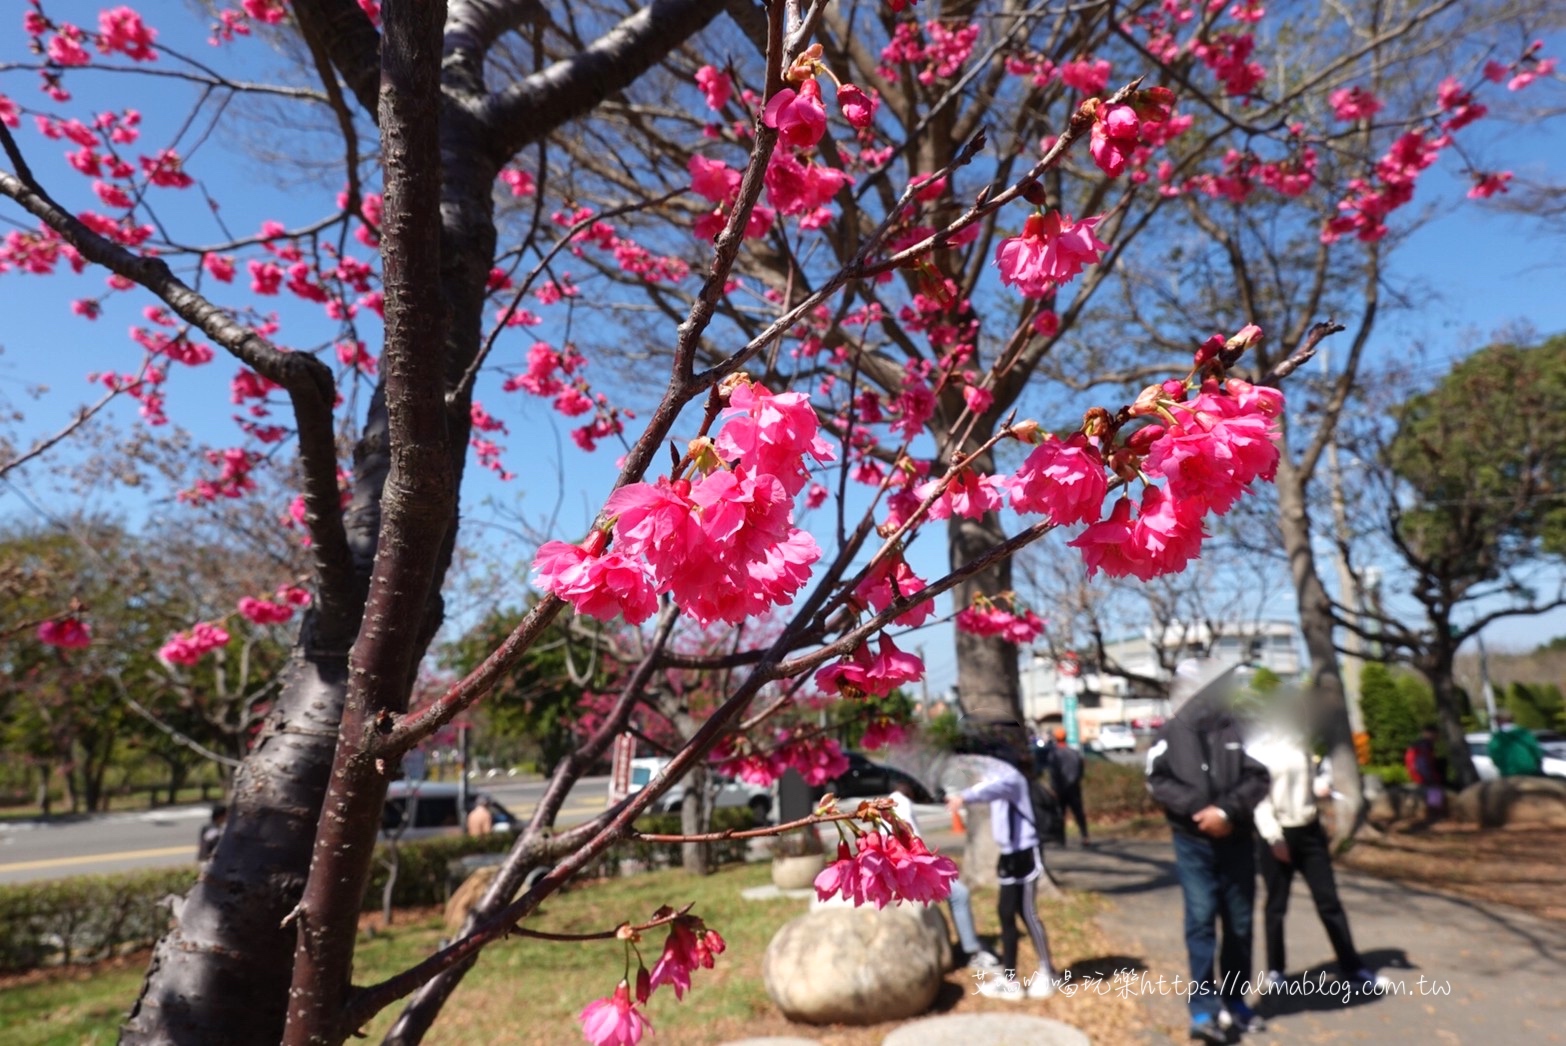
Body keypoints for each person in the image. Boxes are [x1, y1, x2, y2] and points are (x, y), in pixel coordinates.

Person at [1146, 660, 1271, 1043]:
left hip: (1237, 840)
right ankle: (1203, 1009)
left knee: (1239, 924)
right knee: (1200, 921)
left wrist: (1226, 811)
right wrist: (1199, 809)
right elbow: (1156, 779)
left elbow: (1260, 775)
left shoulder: (1241, 726)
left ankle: (1236, 1002)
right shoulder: (1169, 732)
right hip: (1193, 843)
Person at [1247, 722, 1384, 994]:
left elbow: (1307, 781)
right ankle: (1276, 970)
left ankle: (1352, 967)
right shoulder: (1260, 751)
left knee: (1329, 901)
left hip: (1309, 832)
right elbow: (1259, 801)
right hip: (1278, 833)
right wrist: (1274, 838)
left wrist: (1321, 786)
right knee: (1276, 905)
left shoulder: (1302, 744)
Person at [945, 749, 1060, 1000]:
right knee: (1005, 913)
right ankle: (1010, 979)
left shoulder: (1012, 779)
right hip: (1008, 856)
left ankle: (1048, 970)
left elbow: (990, 790)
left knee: (1027, 913)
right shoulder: (995, 780)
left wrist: (963, 797)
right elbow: (986, 787)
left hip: (1026, 852)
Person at [889, 781, 1001, 972]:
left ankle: (969, 947)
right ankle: (971, 951)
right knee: (959, 894)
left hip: (906, 866)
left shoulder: (893, 801)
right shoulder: (901, 803)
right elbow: (910, 841)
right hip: (910, 869)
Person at [1049, 727, 1090, 847]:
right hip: (1074, 787)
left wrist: (1053, 788)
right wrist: (1077, 780)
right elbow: (1081, 769)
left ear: (1056, 739)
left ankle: (1061, 839)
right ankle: (1085, 836)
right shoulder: (1074, 752)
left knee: (1060, 814)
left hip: (1061, 788)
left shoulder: (1054, 754)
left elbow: (1054, 773)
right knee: (1079, 812)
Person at [1404, 724, 1446, 816]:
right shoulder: (1424, 746)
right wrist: (1430, 778)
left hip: (1416, 776)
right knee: (1435, 789)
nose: (1437, 737)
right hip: (1423, 778)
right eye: (1436, 734)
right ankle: (1435, 813)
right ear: (1430, 733)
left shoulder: (1417, 745)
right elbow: (1422, 764)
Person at [1488, 711, 1545, 777]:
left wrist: (1501, 766)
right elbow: (1535, 750)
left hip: (1508, 773)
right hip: (1529, 771)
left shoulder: (1497, 738)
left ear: (1499, 721)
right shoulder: (1525, 733)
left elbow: (1495, 755)